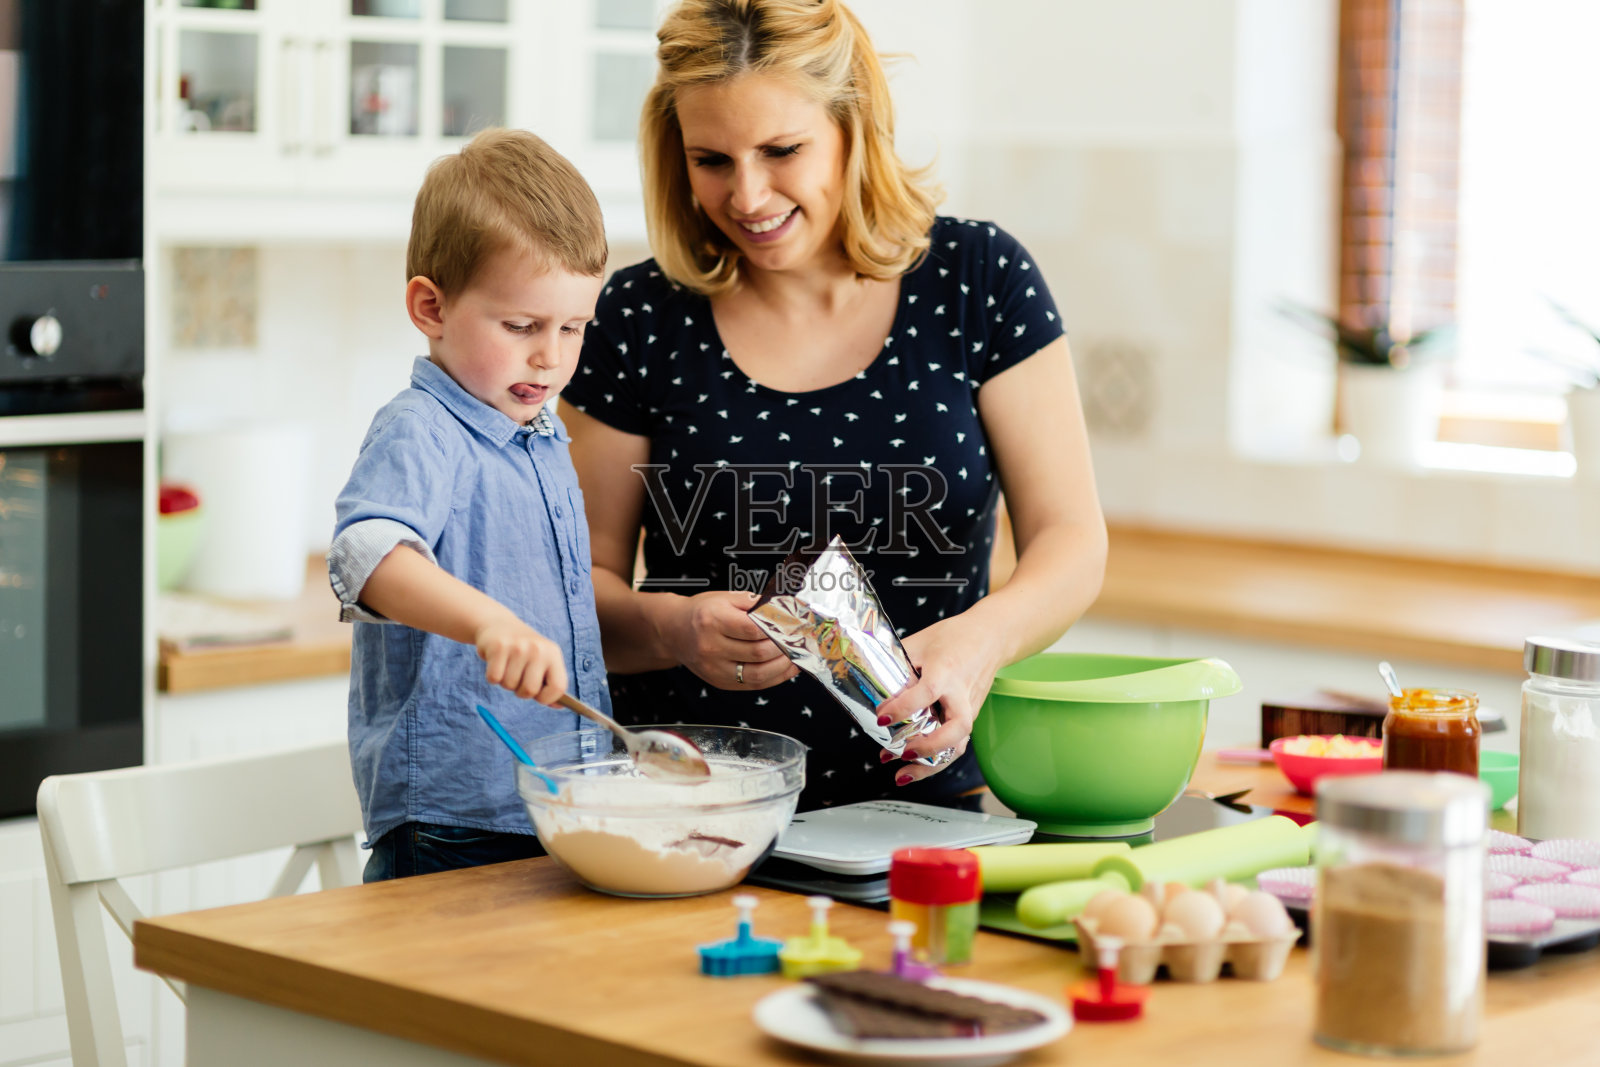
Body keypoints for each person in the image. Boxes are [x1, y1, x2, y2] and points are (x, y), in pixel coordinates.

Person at [562, 0, 1107, 813]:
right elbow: (577, 590)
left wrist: (978, 642)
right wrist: (674, 628)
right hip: (687, 814)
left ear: (855, 128)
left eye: (782, 150)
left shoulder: (978, 281)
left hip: (926, 815)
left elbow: (1072, 539)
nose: (747, 195)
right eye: (711, 159)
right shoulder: (639, 317)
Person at [327, 128, 611, 880]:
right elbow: (365, 555)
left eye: (573, 328)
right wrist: (488, 622)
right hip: (453, 822)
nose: (549, 355)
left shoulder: (542, 437)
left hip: (551, 804)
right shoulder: (422, 429)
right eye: (521, 326)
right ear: (431, 306)